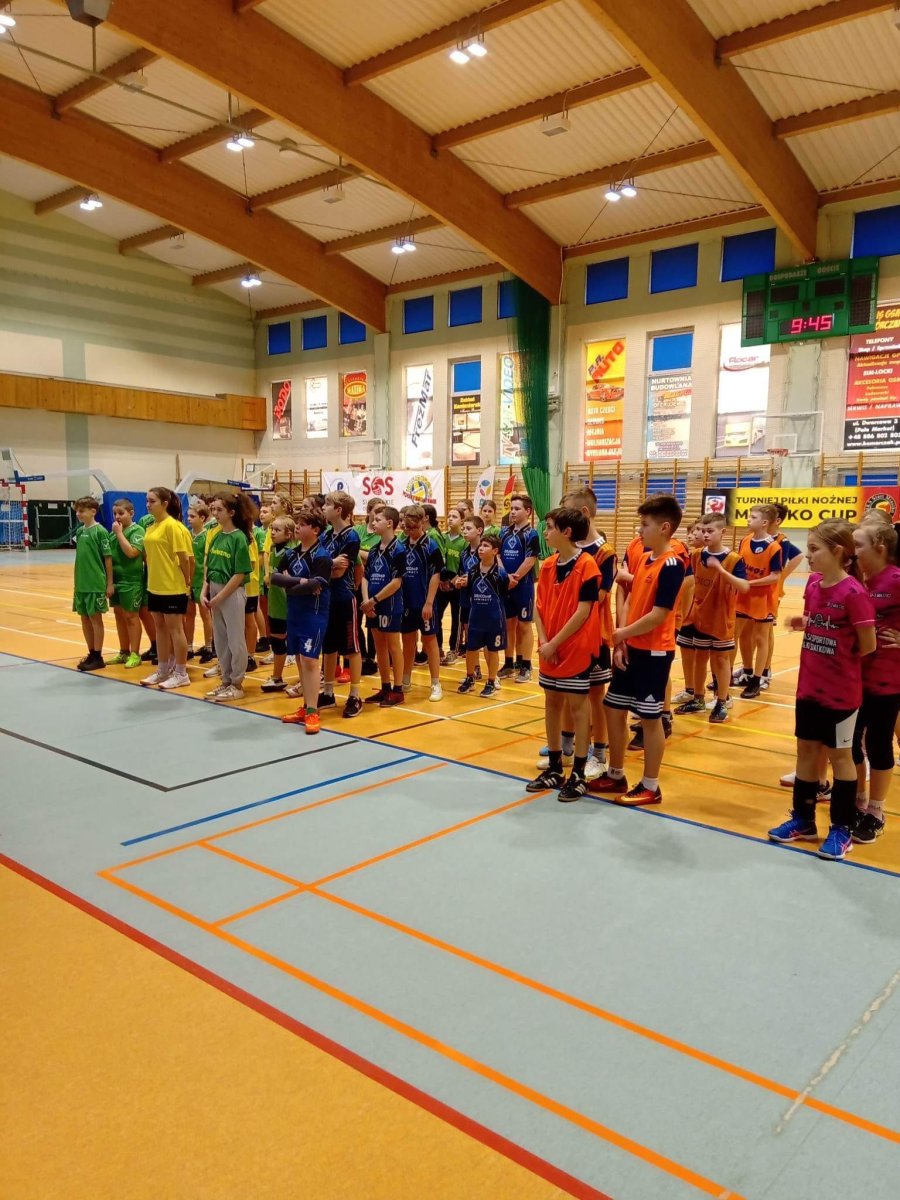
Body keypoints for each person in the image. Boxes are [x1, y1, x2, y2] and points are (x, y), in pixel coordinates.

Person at [769, 520, 876, 860]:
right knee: (805, 752)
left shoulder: (853, 593)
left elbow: (868, 645)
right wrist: (806, 623)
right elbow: (819, 622)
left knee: (840, 757)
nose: (809, 555)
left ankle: (841, 828)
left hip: (841, 694)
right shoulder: (814, 586)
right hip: (809, 688)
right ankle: (803, 819)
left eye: (815, 549)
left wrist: (838, 656)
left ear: (838, 552)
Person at [592, 493, 686, 807]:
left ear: (664, 527)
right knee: (613, 708)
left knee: (649, 717)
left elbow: (660, 615)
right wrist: (622, 641)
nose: (639, 530)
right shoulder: (645, 559)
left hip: (654, 653)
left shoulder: (672, 565)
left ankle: (651, 785)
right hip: (631, 647)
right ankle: (616, 773)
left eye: (645, 524)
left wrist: (623, 633)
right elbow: (632, 601)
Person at [526, 506, 601, 801]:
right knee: (551, 703)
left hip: (574, 649)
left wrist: (555, 644)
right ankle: (555, 767)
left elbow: (584, 612)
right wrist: (545, 642)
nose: (545, 533)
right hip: (549, 649)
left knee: (578, 707)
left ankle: (578, 772)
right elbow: (538, 607)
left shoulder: (588, 565)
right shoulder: (547, 565)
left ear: (566, 532)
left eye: (550, 527)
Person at [850, 519, 900, 843]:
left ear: (879, 548)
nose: (853, 552)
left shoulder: (896, 579)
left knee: (878, 744)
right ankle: (857, 800)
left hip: (886, 678)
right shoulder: (859, 580)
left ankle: (876, 811)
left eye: (859, 545)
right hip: (854, 676)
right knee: (850, 742)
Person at [675, 513, 749, 723]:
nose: (705, 535)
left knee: (721, 660)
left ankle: (722, 701)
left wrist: (721, 570)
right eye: (702, 530)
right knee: (700, 657)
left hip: (721, 618)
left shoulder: (734, 559)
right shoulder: (696, 555)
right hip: (700, 616)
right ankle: (698, 698)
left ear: (722, 532)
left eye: (710, 531)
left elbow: (744, 587)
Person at [274, 508, 332, 735]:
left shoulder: (322, 556)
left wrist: (291, 585)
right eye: (297, 523)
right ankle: (306, 705)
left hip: (314, 614)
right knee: (299, 659)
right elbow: (274, 577)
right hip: (295, 613)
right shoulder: (291, 554)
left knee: (310, 660)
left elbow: (316, 585)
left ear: (315, 530)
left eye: (303, 524)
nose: (297, 527)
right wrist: (300, 581)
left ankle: (312, 711)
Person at [201, 492, 254, 703]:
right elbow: (209, 567)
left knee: (235, 639)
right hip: (215, 592)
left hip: (231, 593)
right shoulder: (216, 535)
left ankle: (237, 683)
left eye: (219, 510)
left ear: (231, 512)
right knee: (221, 639)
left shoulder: (239, 537)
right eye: (213, 509)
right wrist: (204, 591)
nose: (215, 513)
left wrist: (220, 597)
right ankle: (225, 680)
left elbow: (240, 573)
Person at [140, 486, 193, 689]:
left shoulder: (173, 526)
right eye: (147, 501)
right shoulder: (151, 527)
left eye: (152, 501)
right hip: (155, 586)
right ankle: (163, 670)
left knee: (175, 630)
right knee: (160, 628)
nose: (148, 505)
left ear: (164, 504)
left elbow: (184, 558)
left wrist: (187, 582)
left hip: (173, 587)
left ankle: (181, 673)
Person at [320, 491, 363, 718]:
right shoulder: (326, 535)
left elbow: (339, 572)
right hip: (326, 598)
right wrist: (328, 565)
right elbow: (318, 565)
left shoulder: (351, 536)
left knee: (351, 648)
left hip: (344, 598)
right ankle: (328, 692)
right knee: (328, 648)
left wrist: (321, 570)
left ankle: (355, 695)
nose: (323, 508)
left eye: (327, 504)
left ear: (338, 510)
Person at [733, 504, 783, 699]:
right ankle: (739, 672)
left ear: (764, 523)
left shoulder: (774, 547)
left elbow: (775, 576)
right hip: (743, 596)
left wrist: (751, 583)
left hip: (763, 599)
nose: (748, 519)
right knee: (736, 635)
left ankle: (757, 679)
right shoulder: (745, 540)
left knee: (761, 639)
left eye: (753, 517)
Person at [360, 505, 406, 707]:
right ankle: (385, 686)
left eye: (378, 519)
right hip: (372, 606)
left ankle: (398, 689)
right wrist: (366, 601)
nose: (373, 522)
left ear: (389, 523)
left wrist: (374, 600)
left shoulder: (399, 550)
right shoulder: (373, 550)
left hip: (390, 605)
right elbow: (365, 577)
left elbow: (397, 582)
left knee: (393, 647)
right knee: (379, 647)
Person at [400, 503, 444, 701]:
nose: (411, 531)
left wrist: (429, 603)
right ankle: (405, 679)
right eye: (407, 527)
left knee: (429, 641)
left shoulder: (431, 546)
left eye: (414, 527)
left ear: (423, 523)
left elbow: (436, 575)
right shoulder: (401, 544)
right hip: (406, 603)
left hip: (425, 602)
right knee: (408, 641)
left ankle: (435, 683)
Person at [458, 535, 508, 698]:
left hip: (494, 619)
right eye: (481, 545)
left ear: (495, 551)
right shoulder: (472, 571)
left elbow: (504, 594)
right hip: (476, 618)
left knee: (493, 650)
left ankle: (491, 681)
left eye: (486, 546)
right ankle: (470, 678)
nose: (481, 548)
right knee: (471, 649)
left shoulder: (500, 574)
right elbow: (468, 593)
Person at [761, 502, 804, 690]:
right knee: (752, 634)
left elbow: (798, 556)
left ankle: (765, 669)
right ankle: (751, 668)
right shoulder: (756, 538)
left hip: (771, 592)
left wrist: (782, 577)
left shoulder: (780, 541)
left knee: (766, 632)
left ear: (776, 520)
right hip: (755, 591)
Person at [499, 493, 540, 683]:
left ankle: (526, 665)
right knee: (509, 625)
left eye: (517, 509)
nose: (513, 512)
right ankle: (509, 663)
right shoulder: (504, 532)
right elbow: (497, 555)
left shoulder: (531, 534)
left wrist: (515, 577)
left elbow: (530, 560)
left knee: (524, 625)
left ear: (528, 511)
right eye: (511, 508)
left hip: (523, 586)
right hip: (506, 585)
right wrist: (505, 576)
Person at [72, 496, 113, 672]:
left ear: (93, 511)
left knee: (95, 619)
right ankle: (91, 652)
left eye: (81, 511)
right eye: (77, 511)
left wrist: (109, 583)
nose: (78, 514)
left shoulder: (100, 532)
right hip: (81, 583)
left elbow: (108, 558)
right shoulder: (80, 532)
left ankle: (98, 655)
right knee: (84, 618)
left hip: (95, 583)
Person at [260, 514, 297, 694]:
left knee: (295, 643)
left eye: (277, 530)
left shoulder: (292, 552)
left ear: (288, 534)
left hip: (288, 605)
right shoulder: (273, 549)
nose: (273, 533)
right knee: (277, 642)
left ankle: (305, 679)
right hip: (274, 604)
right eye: (272, 529)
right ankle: (277, 677)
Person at [107, 498, 145, 669]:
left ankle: (135, 653)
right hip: (116, 581)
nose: (117, 517)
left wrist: (119, 534)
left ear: (131, 513)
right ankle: (124, 651)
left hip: (132, 581)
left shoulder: (137, 531)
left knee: (131, 616)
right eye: (114, 513)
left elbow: (132, 552)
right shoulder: (113, 534)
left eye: (121, 513)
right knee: (119, 616)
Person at [454, 514, 484, 674]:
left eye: (468, 528)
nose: (464, 531)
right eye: (463, 528)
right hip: (466, 599)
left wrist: (470, 579)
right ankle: (475, 668)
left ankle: (493, 675)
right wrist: (458, 580)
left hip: (482, 599)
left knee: (483, 634)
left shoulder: (485, 552)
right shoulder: (464, 553)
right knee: (469, 632)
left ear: (479, 530)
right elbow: (461, 572)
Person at [185, 502, 215, 664]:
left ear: (202, 518)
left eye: (192, 516)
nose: (189, 519)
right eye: (188, 516)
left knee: (205, 615)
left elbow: (207, 562)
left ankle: (209, 647)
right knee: (189, 614)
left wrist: (206, 582)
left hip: (201, 581)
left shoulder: (207, 536)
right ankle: (189, 647)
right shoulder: (187, 535)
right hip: (188, 581)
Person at [437, 506, 466, 665]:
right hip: (441, 584)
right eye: (449, 516)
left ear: (462, 520)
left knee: (457, 619)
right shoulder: (442, 537)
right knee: (437, 617)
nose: (450, 519)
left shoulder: (464, 542)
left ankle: (453, 650)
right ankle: (438, 648)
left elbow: (464, 565)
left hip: (456, 587)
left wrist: (454, 581)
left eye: (454, 517)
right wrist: (443, 579)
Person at [254, 500, 272, 654]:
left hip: (265, 575)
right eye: (261, 511)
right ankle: (265, 635)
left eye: (265, 512)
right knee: (262, 607)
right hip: (260, 576)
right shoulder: (260, 530)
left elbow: (262, 556)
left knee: (266, 608)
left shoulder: (265, 533)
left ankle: (267, 636)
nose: (262, 514)